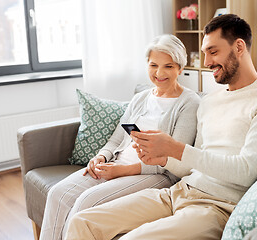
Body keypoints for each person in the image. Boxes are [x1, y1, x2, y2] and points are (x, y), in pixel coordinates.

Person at [64, 14, 257, 240]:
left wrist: (175, 148)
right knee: (83, 222)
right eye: (205, 53)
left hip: (218, 207)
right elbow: (193, 167)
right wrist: (162, 158)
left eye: (213, 52)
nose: (207, 63)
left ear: (239, 47)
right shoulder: (211, 101)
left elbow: (246, 172)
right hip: (179, 192)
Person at [39, 34, 201, 240]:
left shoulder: (189, 103)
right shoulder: (140, 98)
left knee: (86, 203)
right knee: (58, 193)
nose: (159, 73)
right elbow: (116, 140)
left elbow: (175, 159)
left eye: (168, 66)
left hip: (155, 175)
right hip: (116, 163)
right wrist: (101, 157)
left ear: (180, 68)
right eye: (153, 65)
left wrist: (122, 171)